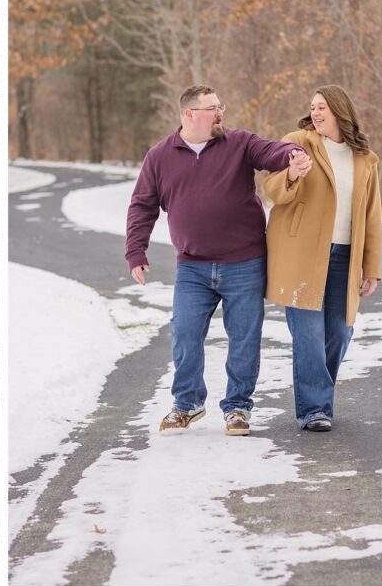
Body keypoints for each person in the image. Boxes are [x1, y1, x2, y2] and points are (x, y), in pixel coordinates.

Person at [125, 85, 310, 436]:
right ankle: (188, 403)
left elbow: (272, 150)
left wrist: (293, 154)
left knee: (244, 338)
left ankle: (238, 407)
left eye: (220, 105)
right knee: (185, 333)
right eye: (212, 108)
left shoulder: (238, 143)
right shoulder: (160, 156)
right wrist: (136, 250)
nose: (220, 112)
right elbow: (142, 205)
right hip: (192, 266)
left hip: (244, 263)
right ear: (189, 114)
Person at [264, 85, 382, 432]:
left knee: (339, 333)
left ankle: (318, 400)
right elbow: (271, 190)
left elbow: (371, 216)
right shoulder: (297, 142)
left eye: (323, 108)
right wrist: (292, 174)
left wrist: (371, 266)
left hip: (345, 258)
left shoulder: (365, 158)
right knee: (309, 336)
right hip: (303, 255)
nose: (316, 113)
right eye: (313, 107)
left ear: (340, 111)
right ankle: (314, 409)